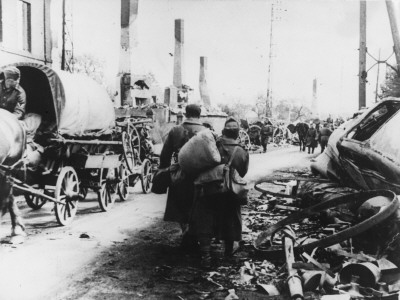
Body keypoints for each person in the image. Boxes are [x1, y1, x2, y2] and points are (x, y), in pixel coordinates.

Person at [189, 117, 249, 268]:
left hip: (210, 189)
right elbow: (243, 172)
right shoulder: (242, 152)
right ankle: (228, 253)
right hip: (230, 192)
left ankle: (206, 255)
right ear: (237, 133)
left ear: (223, 131)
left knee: (206, 218)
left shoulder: (214, 146)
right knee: (231, 219)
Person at [159, 104, 205, 251]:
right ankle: (193, 233)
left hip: (180, 173)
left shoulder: (175, 130)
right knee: (197, 205)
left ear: (186, 114)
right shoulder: (206, 131)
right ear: (199, 115)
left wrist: (164, 169)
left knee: (180, 204)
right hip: (200, 175)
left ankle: (185, 230)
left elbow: (165, 154)